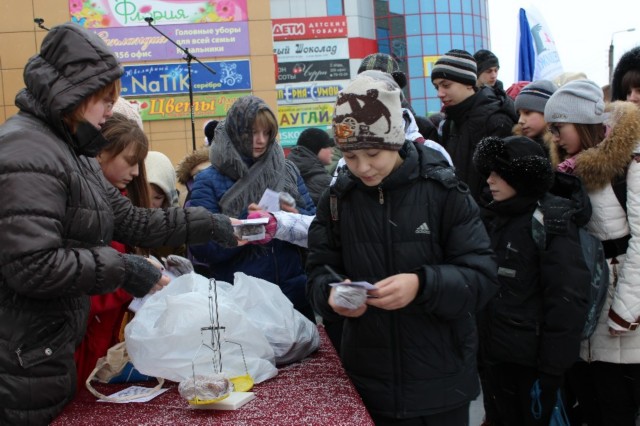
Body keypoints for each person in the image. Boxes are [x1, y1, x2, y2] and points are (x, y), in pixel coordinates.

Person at [0, 23, 238, 425]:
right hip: (22, 358)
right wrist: (125, 269)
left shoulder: (72, 150)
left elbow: (130, 219)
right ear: (74, 94)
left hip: (48, 349)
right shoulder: (28, 150)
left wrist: (210, 223)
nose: (110, 111)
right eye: (105, 100)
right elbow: (33, 265)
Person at [306, 70, 498, 425]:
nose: (363, 167)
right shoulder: (337, 199)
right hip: (367, 383)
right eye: (350, 157)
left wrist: (422, 284)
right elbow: (318, 271)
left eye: (373, 153)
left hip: (441, 384)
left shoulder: (442, 191)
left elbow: (482, 277)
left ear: (395, 141)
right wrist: (331, 295)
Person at [472, 135, 591, 425]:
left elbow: (567, 297)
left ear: (522, 177)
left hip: (532, 363)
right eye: (489, 172)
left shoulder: (549, 220)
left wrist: (552, 368)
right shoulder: (491, 216)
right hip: (494, 356)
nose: (490, 180)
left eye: (499, 174)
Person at [544, 79, 640, 425]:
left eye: (559, 128)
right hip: (586, 301)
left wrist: (625, 311)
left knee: (618, 403)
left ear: (583, 123)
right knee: (590, 404)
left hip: (621, 303)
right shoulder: (568, 171)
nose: (554, 137)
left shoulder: (629, 164)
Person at [189, 95, 317, 321]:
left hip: (293, 298)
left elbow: (317, 230)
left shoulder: (287, 170)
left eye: (267, 133)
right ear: (235, 132)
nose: (261, 140)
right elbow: (202, 246)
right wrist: (251, 225)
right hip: (241, 303)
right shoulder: (207, 180)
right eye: (252, 133)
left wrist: (292, 217)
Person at [74, 112, 152, 390]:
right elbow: (80, 289)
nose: (136, 172)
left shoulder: (116, 203)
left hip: (103, 346)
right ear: (100, 154)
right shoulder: (81, 210)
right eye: (130, 162)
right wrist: (134, 279)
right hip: (80, 350)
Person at [431, 49, 517, 202]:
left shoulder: (496, 120)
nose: (440, 93)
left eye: (446, 85)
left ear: (468, 83)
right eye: (437, 87)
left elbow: (504, 180)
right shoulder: (450, 123)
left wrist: (479, 209)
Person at [287, 127, 334, 205]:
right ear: (316, 148)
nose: (332, 150)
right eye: (327, 146)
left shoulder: (287, 168)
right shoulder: (324, 181)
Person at [513, 80, 557, 156]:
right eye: (519, 114)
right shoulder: (517, 148)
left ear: (547, 113)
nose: (520, 120)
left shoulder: (563, 149)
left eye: (527, 113)